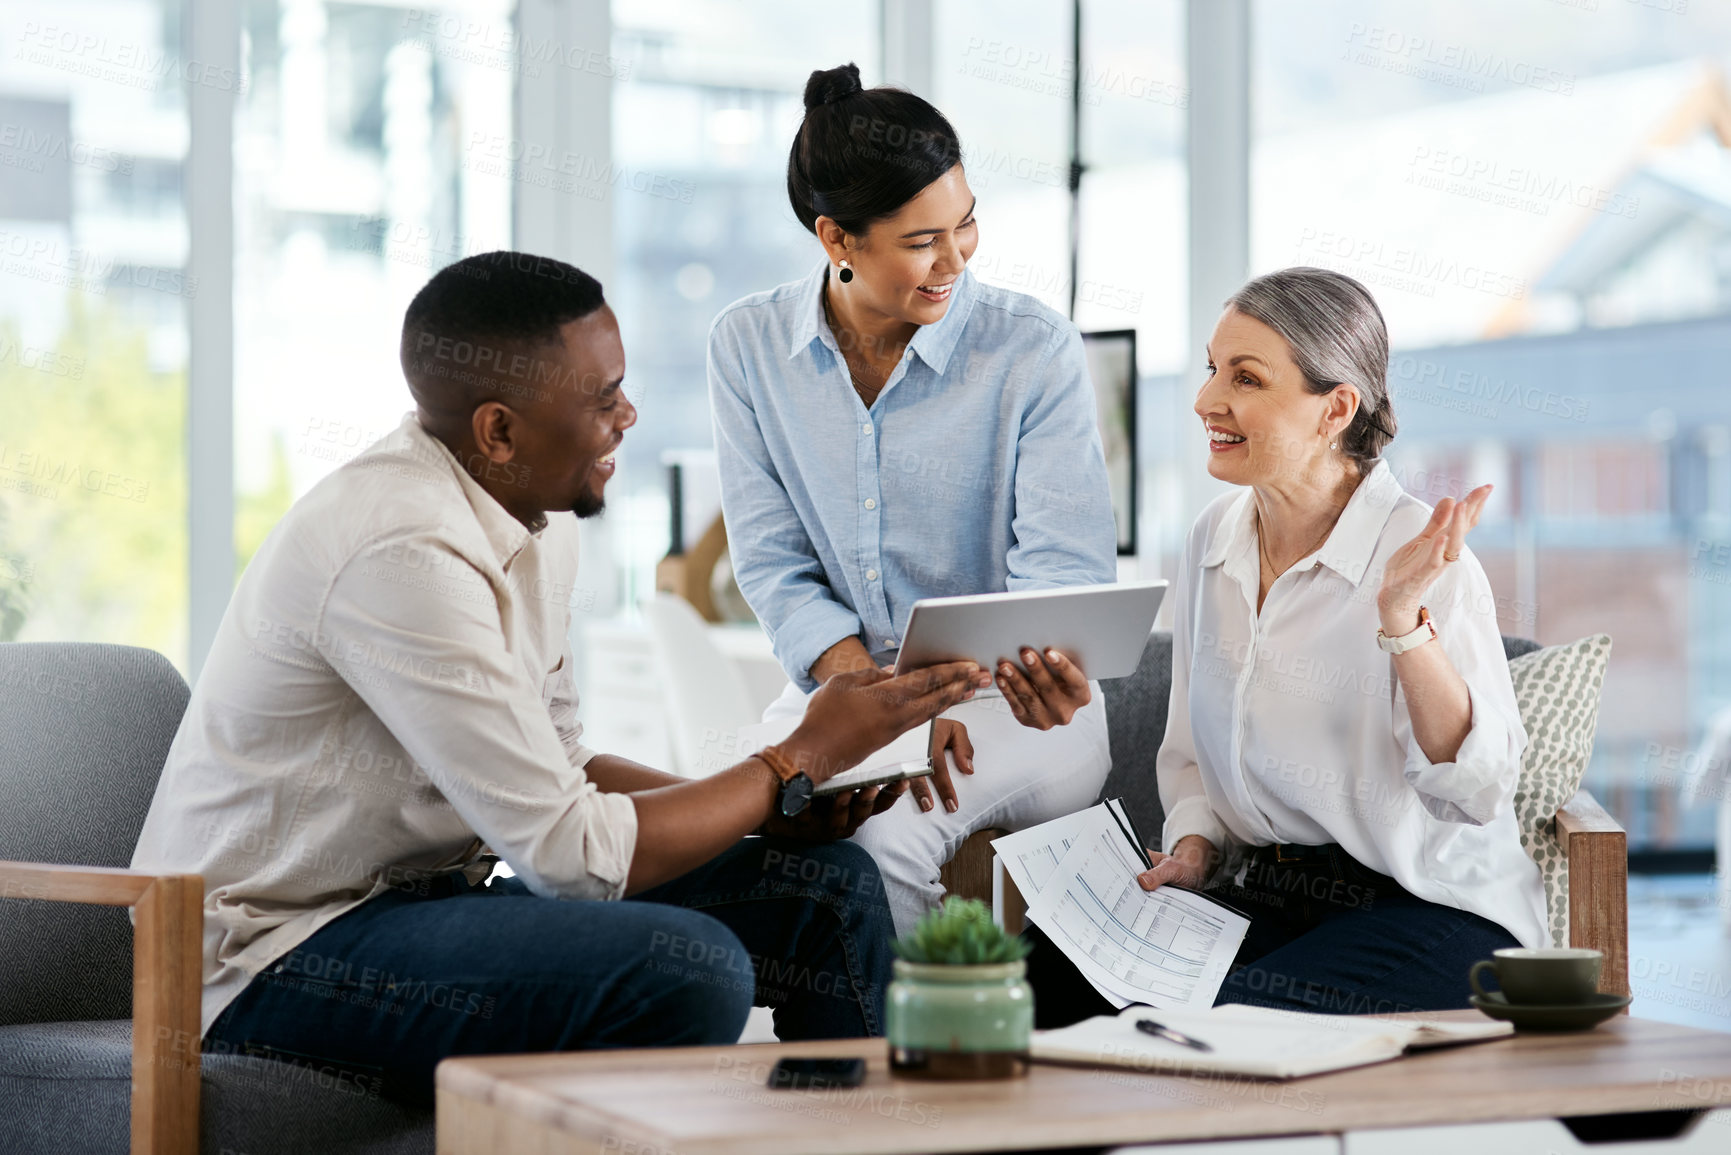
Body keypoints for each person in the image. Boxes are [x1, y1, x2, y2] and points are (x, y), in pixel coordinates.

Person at [130, 251, 991, 1105]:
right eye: (601, 399)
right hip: (268, 956)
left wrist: (781, 807)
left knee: (825, 887)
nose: (629, 415)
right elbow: (571, 861)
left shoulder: (535, 511)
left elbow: (565, 767)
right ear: (499, 431)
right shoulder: (401, 551)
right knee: (681, 972)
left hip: (424, 903)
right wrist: (787, 763)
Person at [1027, 267, 1548, 1023]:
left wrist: (1401, 619)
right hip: (1266, 898)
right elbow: (1190, 757)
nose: (1207, 400)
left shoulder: (1421, 553)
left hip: (1428, 909)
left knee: (1219, 1022)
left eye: (1245, 378)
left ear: (1334, 408)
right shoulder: (1212, 539)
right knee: (1043, 976)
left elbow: (1475, 790)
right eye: (1211, 368)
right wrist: (1195, 844)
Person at [707, 62, 1120, 936]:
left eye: (964, 225)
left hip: (1017, 700)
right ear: (837, 240)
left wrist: (951, 692)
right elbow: (772, 561)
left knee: (880, 837)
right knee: (719, 825)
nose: (954, 261)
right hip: (850, 683)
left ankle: (914, 1062)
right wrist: (876, 697)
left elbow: (1058, 576)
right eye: (921, 240)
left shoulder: (1031, 349)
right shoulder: (747, 346)